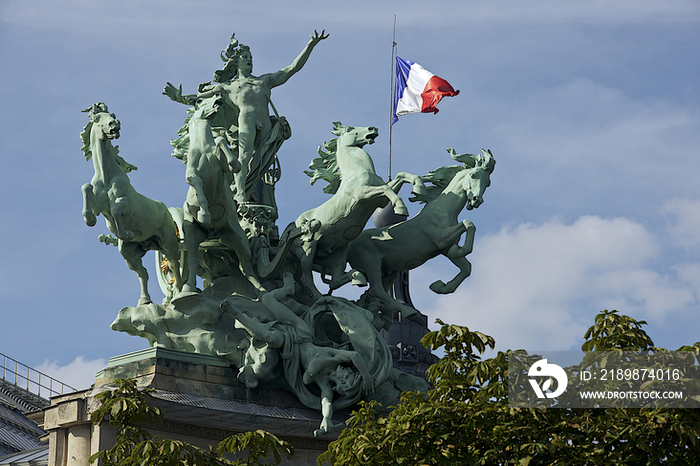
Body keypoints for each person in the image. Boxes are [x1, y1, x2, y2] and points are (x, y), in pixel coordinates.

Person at [164, 31, 328, 207]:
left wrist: (310, 45)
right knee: (244, 155)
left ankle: (251, 189)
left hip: (265, 122)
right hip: (247, 119)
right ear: (236, 62)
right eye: (244, 56)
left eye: (250, 57)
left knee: (265, 159)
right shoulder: (228, 86)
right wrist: (179, 98)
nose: (249, 60)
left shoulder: (264, 81)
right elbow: (201, 98)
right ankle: (240, 193)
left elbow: (291, 69)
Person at [220, 272, 377, 436]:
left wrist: (326, 419)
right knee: (267, 300)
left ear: (338, 386)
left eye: (345, 379)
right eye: (350, 374)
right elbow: (354, 356)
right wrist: (366, 378)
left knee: (270, 338)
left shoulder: (324, 383)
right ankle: (288, 288)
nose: (345, 372)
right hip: (301, 334)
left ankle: (236, 313)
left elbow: (325, 401)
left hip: (290, 349)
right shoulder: (334, 356)